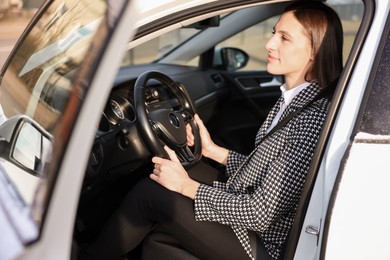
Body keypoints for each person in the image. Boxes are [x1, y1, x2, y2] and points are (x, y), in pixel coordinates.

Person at [84, 1, 343, 259]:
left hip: (265, 245)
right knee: (180, 167)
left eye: (284, 38)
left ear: (314, 51)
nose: (269, 44)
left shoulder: (311, 117)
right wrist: (212, 150)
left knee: (150, 193)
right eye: (274, 32)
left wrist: (186, 187)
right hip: (258, 222)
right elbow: (268, 171)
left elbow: (260, 213)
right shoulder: (296, 98)